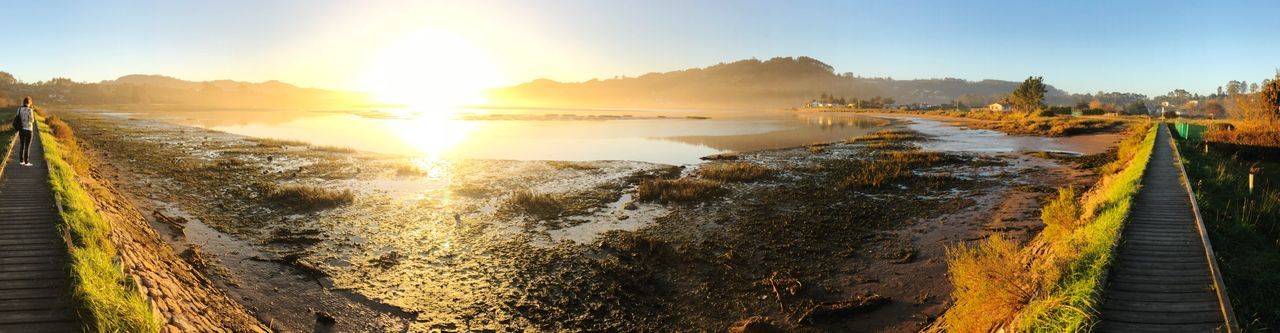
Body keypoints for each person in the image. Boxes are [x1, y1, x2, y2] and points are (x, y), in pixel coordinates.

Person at [15, 97, 35, 166]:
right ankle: (26, 162)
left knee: (22, 145)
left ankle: (21, 161)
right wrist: (31, 112)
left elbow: (17, 117)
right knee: (27, 146)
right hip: (28, 129)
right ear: (29, 103)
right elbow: (32, 120)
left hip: (21, 129)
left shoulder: (19, 108)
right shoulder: (30, 110)